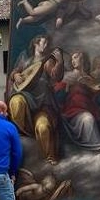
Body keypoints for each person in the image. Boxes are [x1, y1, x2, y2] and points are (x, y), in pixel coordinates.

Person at [6, 34, 64, 164]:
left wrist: (59, 61)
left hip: (43, 105)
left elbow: (56, 76)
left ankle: (49, 157)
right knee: (16, 102)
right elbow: (15, 72)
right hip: (27, 99)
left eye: (47, 43)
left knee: (43, 127)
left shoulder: (47, 62)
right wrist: (15, 75)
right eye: (44, 43)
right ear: (35, 44)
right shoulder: (25, 60)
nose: (46, 45)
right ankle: (23, 131)